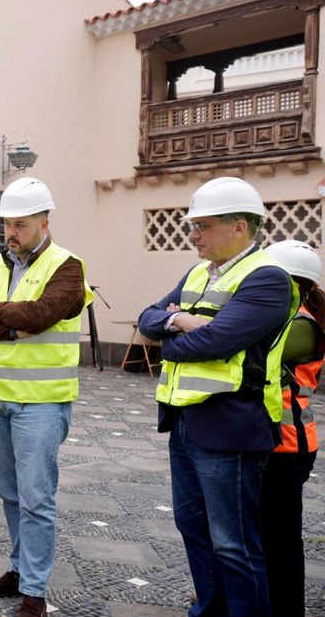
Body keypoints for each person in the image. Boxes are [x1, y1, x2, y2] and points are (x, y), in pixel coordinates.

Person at [137, 177, 295, 617]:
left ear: (239, 227)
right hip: (185, 422)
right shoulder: (197, 273)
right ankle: (209, 610)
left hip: (231, 426)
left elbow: (217, 343)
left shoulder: (267, 279)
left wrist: (177, 330)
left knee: (234, 543)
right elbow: (147, 318)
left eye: (202, 226)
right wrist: (183, 324)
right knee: (192, 526)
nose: (193, 236)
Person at [0, 178, 92, 617]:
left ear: (43, 223)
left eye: (19, 224)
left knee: (37, 496)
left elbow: (42, 312)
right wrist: (15, 325)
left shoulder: (68, 266)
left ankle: (34, 589)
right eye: (7, 225)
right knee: (9, 491)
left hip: (41, 400)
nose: (10, 232)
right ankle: (18, 570)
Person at [259, 240, 323, 617]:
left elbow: (243, 352)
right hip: (274, 442)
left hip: (287, 446)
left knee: (280, 539)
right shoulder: (287, 317)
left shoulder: (300, 325)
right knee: (267, 535)